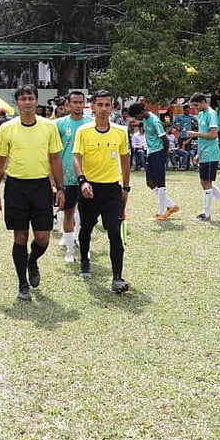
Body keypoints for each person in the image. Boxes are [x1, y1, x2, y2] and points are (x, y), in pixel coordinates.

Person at [0, 85, 65, 301]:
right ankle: (22, 283)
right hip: (16, 187)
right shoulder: (7, 128)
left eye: (31, 98)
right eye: (23, 99)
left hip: (41, 186)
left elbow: (55, 159)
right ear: (17, 103)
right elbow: (0, 162)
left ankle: (33, 261)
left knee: (43, 238)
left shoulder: (49, 127)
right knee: (20, 236)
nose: (27, 102)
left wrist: (60, 189)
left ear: (37, 100)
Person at [73, 90, 132, 292]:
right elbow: (76, 157)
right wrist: (82, 181)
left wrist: (125, 187)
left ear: (113, 107)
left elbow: (125, 160)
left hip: (112, 189)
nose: (104, 109)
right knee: (87, 228)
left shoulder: (120, 132)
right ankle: (84, 260)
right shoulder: (83, 131)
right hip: (89, 187)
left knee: (115, 232)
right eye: (100, 105)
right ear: (93, 106)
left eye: (108, 105)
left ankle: (117, 277)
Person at [185, 92, 220, 221]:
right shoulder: (201, 114)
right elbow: (204, 135)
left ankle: (206, 214)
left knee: (206, 182)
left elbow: (213, 135)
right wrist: (198, 154)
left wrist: (195, 134)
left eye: (196, 105)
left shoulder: (211, 114)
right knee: (205, 182)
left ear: (203, 102)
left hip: (211, 153)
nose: (196, 108)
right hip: (205, 152)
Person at [128, 102, 180, 221]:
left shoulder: (155, 121)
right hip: (150, 153)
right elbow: (140, 122)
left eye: (136, 116)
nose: (136, 119)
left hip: (158, 153)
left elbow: (165, 139)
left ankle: (162, 213)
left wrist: (165, 153)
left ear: (141, 113)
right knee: (150, 182)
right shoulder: (145, 119)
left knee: (160, 182)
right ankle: (172, 205)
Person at [55, 89, 88, 262]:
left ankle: (83, 245)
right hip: (66, 177)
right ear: (68, 104)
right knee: (68, 213)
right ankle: (69, 250)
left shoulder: (90, 123)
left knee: (85, 214)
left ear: (84, 104)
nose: (77, 105)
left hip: (87, 177)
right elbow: (52, 152)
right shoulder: (59, 124)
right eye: (73, 102)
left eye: (80, 102)